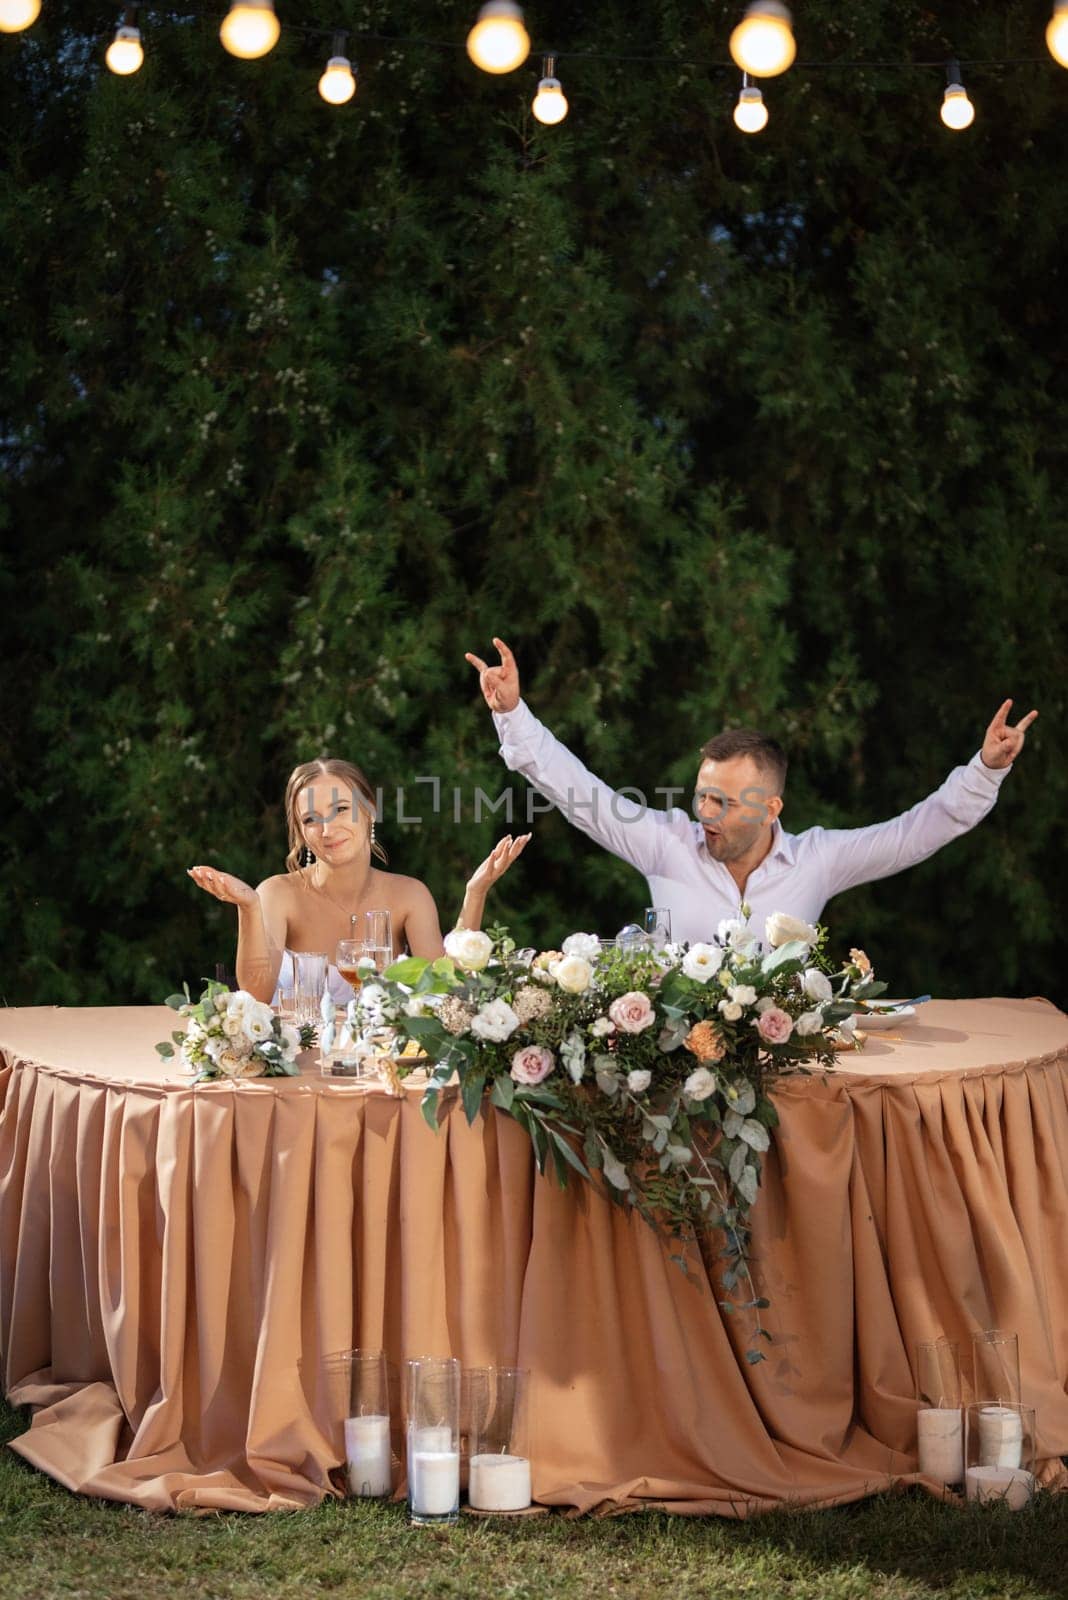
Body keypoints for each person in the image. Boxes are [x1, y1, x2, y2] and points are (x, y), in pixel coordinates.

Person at [465, 638, 1038, 947]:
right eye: (702, 796)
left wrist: (984, 770)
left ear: (771, 809)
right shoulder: (664, 842)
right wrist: (513, 713)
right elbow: (576, 791)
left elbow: (916, 832)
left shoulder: (819, 860)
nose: (704, 813)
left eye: (724, 802)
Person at [188, 754, 529, 1004]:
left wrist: (475, 893)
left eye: (340, 810)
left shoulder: (409, 895)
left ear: (370, 810)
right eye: (310, 819)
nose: (327, 829)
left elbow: (442, 991)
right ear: (299, 833)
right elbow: (256, 996)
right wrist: (248, 907)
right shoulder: (277, 894)